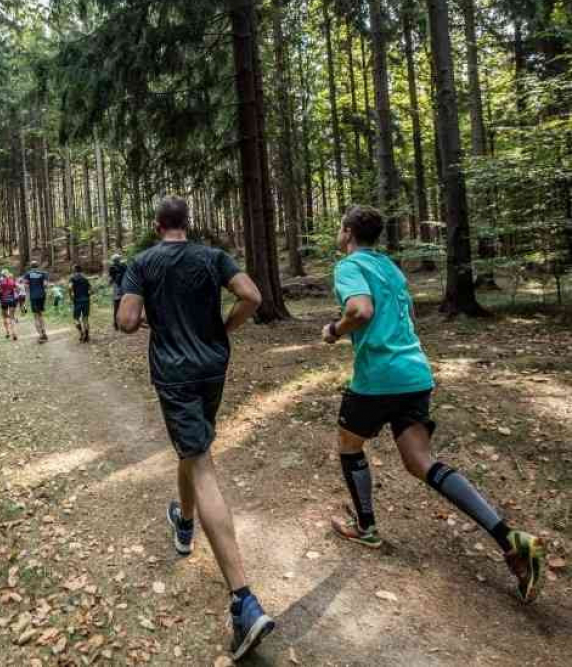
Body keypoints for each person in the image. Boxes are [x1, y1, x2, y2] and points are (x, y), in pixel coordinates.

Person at [323, 205, 545, 604]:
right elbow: (408, 312)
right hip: (415, 372)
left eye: (341, 230)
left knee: (348, 444)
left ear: (348, 233)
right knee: (420, 462)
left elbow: (359, 309)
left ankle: (367, 527)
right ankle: (510, 538)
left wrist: (335, 330)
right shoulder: (391, 268)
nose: (340, 236)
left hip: (378, 378)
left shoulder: (348, 265)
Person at [117, 196, 274, 659]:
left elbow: (126, 321)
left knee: (201, 461)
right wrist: (226, 328)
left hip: (175, 372)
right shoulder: (213, 257)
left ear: (156, 225)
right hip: (213, 366)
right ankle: (184, 524)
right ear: (188, 224)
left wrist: (144, 317)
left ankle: (244, 600)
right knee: (193, 448)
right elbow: (253, 296)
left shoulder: (142, 263)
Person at [22, 261, 50, 343]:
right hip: (42, 296)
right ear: (38, 266)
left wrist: (27, 295)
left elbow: (26, 286)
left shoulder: (28, 274)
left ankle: (41, 335)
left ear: (31, 266)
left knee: (35, 315)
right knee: (41, 314)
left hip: (33, 296)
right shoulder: (43, 273)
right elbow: (45, 285)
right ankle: (44, 331)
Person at [69, 265, 92, 343]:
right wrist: (88, 295)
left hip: (77, 301)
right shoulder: (85, 278)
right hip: (86, 300)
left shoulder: (72, 278)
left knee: (76, 318)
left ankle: (81, 333)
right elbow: (91, 290)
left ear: (74, 270)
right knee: (85, 318)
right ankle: (87, 336)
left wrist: (71, 297)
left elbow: (70, 288)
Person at [0, 269, 19, 341]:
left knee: (4, 317)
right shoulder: (12, 280)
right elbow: (18, 288)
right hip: (12, 300)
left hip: (4, 301)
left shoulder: (0, 281)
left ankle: (7, 332)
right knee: (12, 317)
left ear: (2, 275)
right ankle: (14, 333)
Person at [109, 253, 128, 330]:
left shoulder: (112, 267)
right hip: (125, 287)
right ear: (119, 259)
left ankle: (116, 324)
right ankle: (124, 323)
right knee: (125, 306)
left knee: (116, 306)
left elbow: (111, 278)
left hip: (117, 288)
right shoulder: (124, 266)